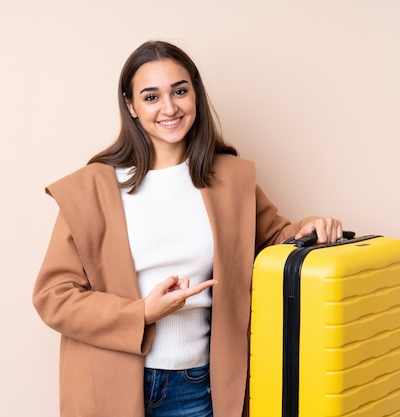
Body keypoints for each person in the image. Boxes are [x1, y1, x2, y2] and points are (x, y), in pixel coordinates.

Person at [32, 40, 343, 417]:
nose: (169, 108)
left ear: (195, 93)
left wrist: (308, 227)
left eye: (180, 91)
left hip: (199, 385)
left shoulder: (231, 179)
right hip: (110, 383)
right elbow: (54, 296)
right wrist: (142, 313)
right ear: (130, 105)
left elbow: (273, 240)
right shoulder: (90, 189)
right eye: (151, 97)